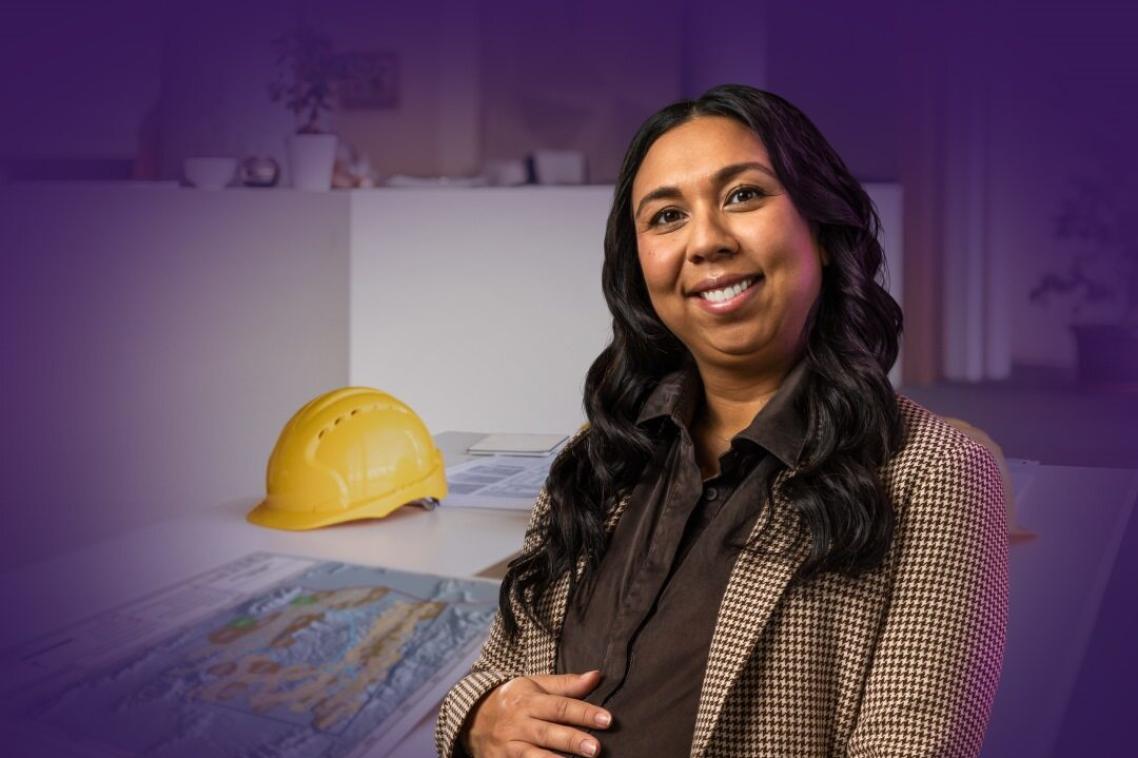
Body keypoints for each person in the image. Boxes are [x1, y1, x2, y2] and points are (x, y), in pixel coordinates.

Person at [435, 84, 1009, 758]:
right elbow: (496, 675)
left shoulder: (933, 474)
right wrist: (479, 719)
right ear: (639, 265)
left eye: (743, 196)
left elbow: (912, 746)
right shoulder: (599, 457)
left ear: (820, 232)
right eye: (667, 215)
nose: (705, 241)